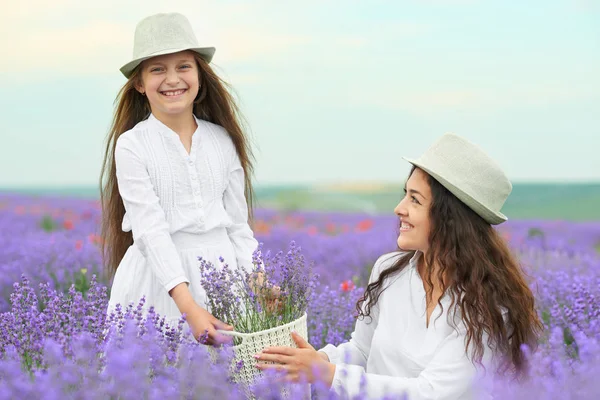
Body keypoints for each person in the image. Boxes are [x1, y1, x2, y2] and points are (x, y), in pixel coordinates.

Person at [255, 133, 543, 399]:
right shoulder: (389, 270)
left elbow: (430, 393)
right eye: (405, 193)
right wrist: (322, 361)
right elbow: (362, 350)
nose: (399, 208)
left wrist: (329, 375)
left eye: (415, 200)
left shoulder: (485, 307)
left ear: (450, 218)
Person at [100, 12, 259, 345]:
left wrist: (259, 283)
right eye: (158, 69)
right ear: (140, 84)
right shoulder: (133, 144)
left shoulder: (223, 139)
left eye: (183, 66)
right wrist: (189, 308)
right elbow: (150, 230)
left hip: (222, 279)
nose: (172, 79)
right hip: (159, 284)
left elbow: (237, 227)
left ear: (199, 74)